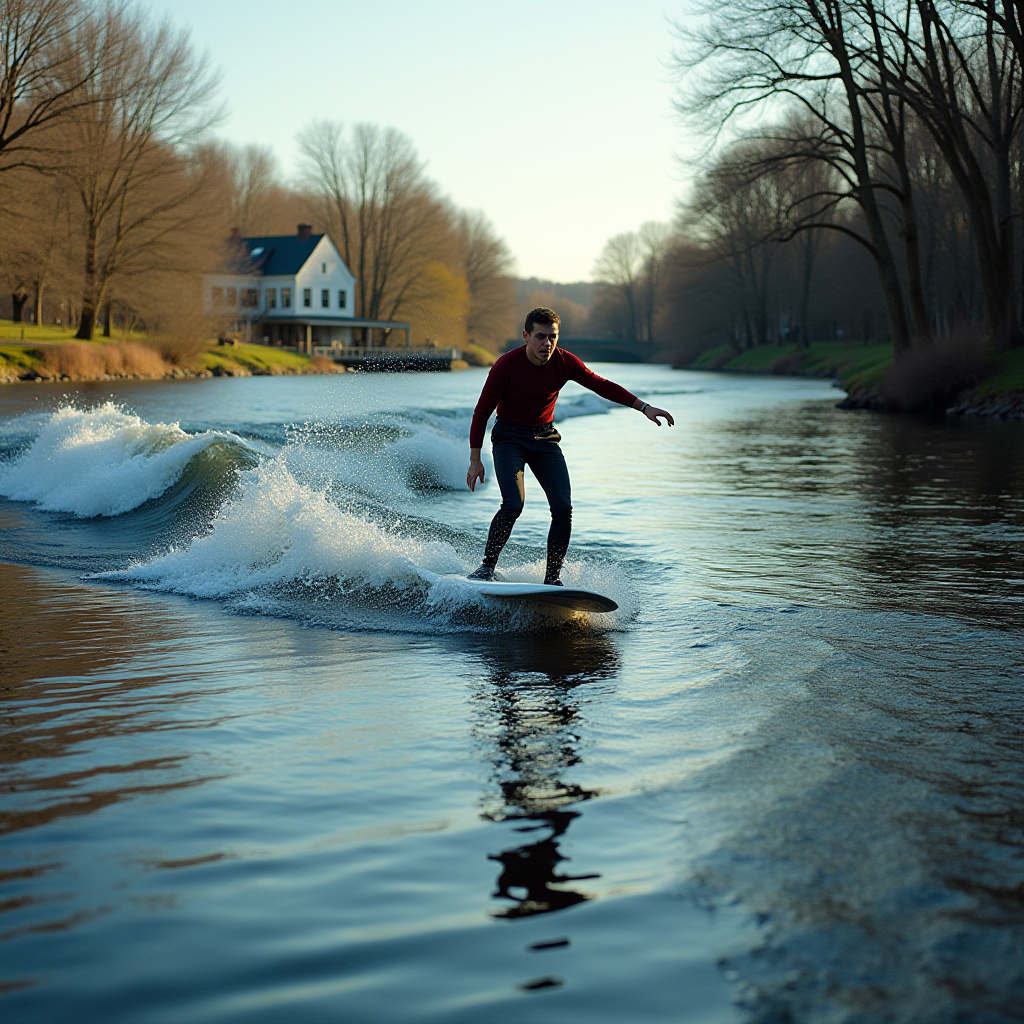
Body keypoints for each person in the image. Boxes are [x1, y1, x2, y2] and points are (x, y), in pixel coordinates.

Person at [466, 307, 674, 585]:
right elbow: (481, 411)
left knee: (563, 509)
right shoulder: (506, 365)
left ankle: (552, 579)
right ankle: (486, 568)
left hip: (545, 438)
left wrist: (644, 407)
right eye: (540, 337)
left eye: (553, 337)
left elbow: (602, 385)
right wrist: (475, 458)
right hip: (509, 438)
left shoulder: (565, 362)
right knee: (514, 504)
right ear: (526, 336)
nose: (547, 344)